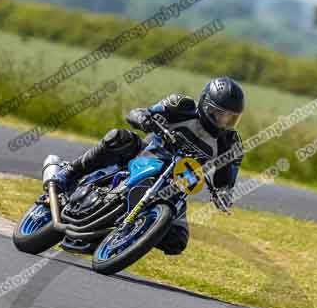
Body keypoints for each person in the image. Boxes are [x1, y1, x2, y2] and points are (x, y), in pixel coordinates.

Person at [55, 77, 246, 255]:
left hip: (176, 185)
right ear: (205, 103)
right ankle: (70, 172)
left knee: (176, 242)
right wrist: (144, 118)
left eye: (231, 117)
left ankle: (118, 238)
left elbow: (226, 179)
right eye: (219, 114)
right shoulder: (181, 106)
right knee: (118, 137)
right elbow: (138, 113)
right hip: (147, 154)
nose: (224, 121)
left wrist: (223, 193)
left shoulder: (229, 142)